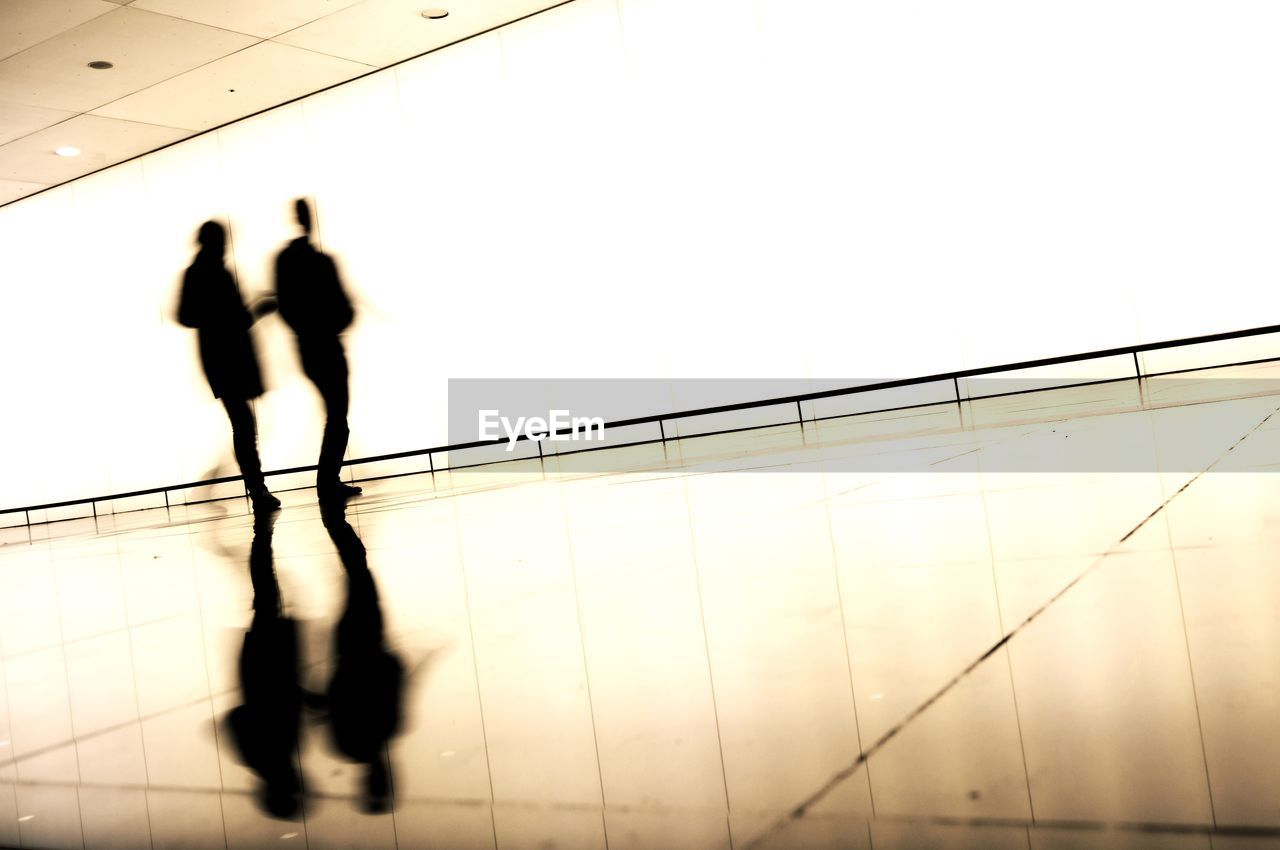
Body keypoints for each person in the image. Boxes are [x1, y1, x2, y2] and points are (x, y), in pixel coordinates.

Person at [178, 221, 280, 511]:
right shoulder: (210, 273)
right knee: (245, 425)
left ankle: (253, 487)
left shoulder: (200, 273)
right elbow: (228, 319)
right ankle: (256, 489)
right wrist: (256, 309)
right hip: (229, 359)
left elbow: (189, 315)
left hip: (221, 360)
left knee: (244, 425)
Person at [274, 199, 361, 501]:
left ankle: (328, 480)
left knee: (336, 415)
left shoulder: (287, 261)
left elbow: (285, 307)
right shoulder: (320, 262)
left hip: (311, 347)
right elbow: (345, 307)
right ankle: (328, 481)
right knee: (338, 415)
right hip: (326, 345)